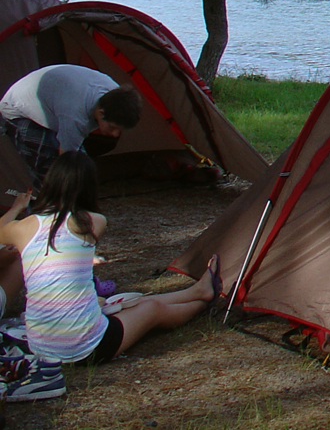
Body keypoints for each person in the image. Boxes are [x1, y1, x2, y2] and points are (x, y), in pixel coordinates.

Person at [0, 152, 218, 401]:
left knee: (136, 304)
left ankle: (199, 291)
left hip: (41, 346)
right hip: (88, 347)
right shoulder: (93, 221)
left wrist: (17, 206)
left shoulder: (23, 228)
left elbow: (1, 230)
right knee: (152, 308)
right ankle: (202, 301)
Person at [0, 65, 143, 188]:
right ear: (101, 113)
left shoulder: (115, 95)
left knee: (82, 170)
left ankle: (73, 209)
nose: (115, 134)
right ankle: (47, 212)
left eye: (120, 130)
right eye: (113, 127)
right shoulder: (76, 116)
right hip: (18, 109)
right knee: (52, 170)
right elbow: (66, 162)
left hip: (54, 99)